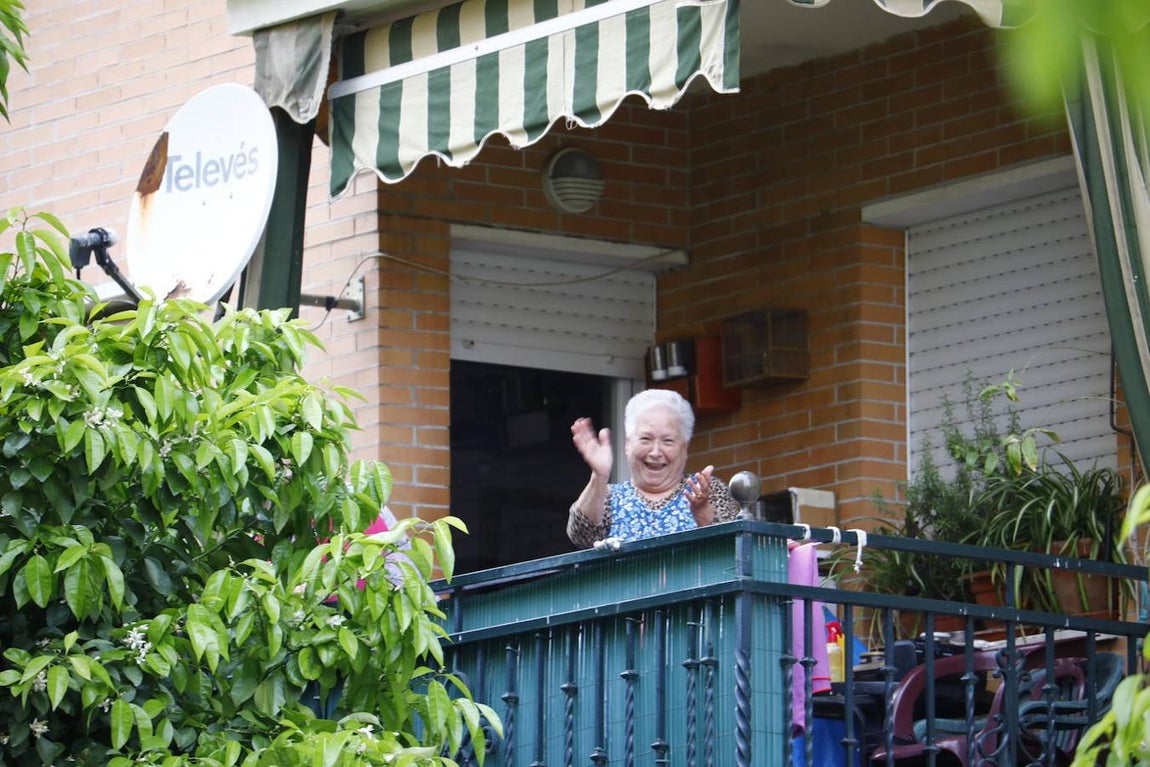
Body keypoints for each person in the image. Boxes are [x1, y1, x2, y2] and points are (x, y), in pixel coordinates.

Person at [567, 389, 739, 548]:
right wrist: (599, 476)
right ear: (628, 444)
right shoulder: (609, 497)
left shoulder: (708, 491)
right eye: (646, 439)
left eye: (668, 441)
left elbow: (735, 545)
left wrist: (702, 512)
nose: (655, 452)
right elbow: (581, 535)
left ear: (684, 449)